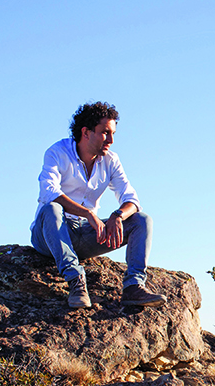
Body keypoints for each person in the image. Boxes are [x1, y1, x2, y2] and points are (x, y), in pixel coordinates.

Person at [30, 101, 166, 310]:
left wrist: (118, 215)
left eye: (112, 133)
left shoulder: (111, 160)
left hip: (85, 235)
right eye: (105, 133)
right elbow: (49, 192)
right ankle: (76, 281)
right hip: (50, 235)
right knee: (52, 208)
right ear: (86, 132)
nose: (111, 140)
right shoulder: (57, 152)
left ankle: (133, 286)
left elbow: (132, 199)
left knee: (142, 220)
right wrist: (88, 213)